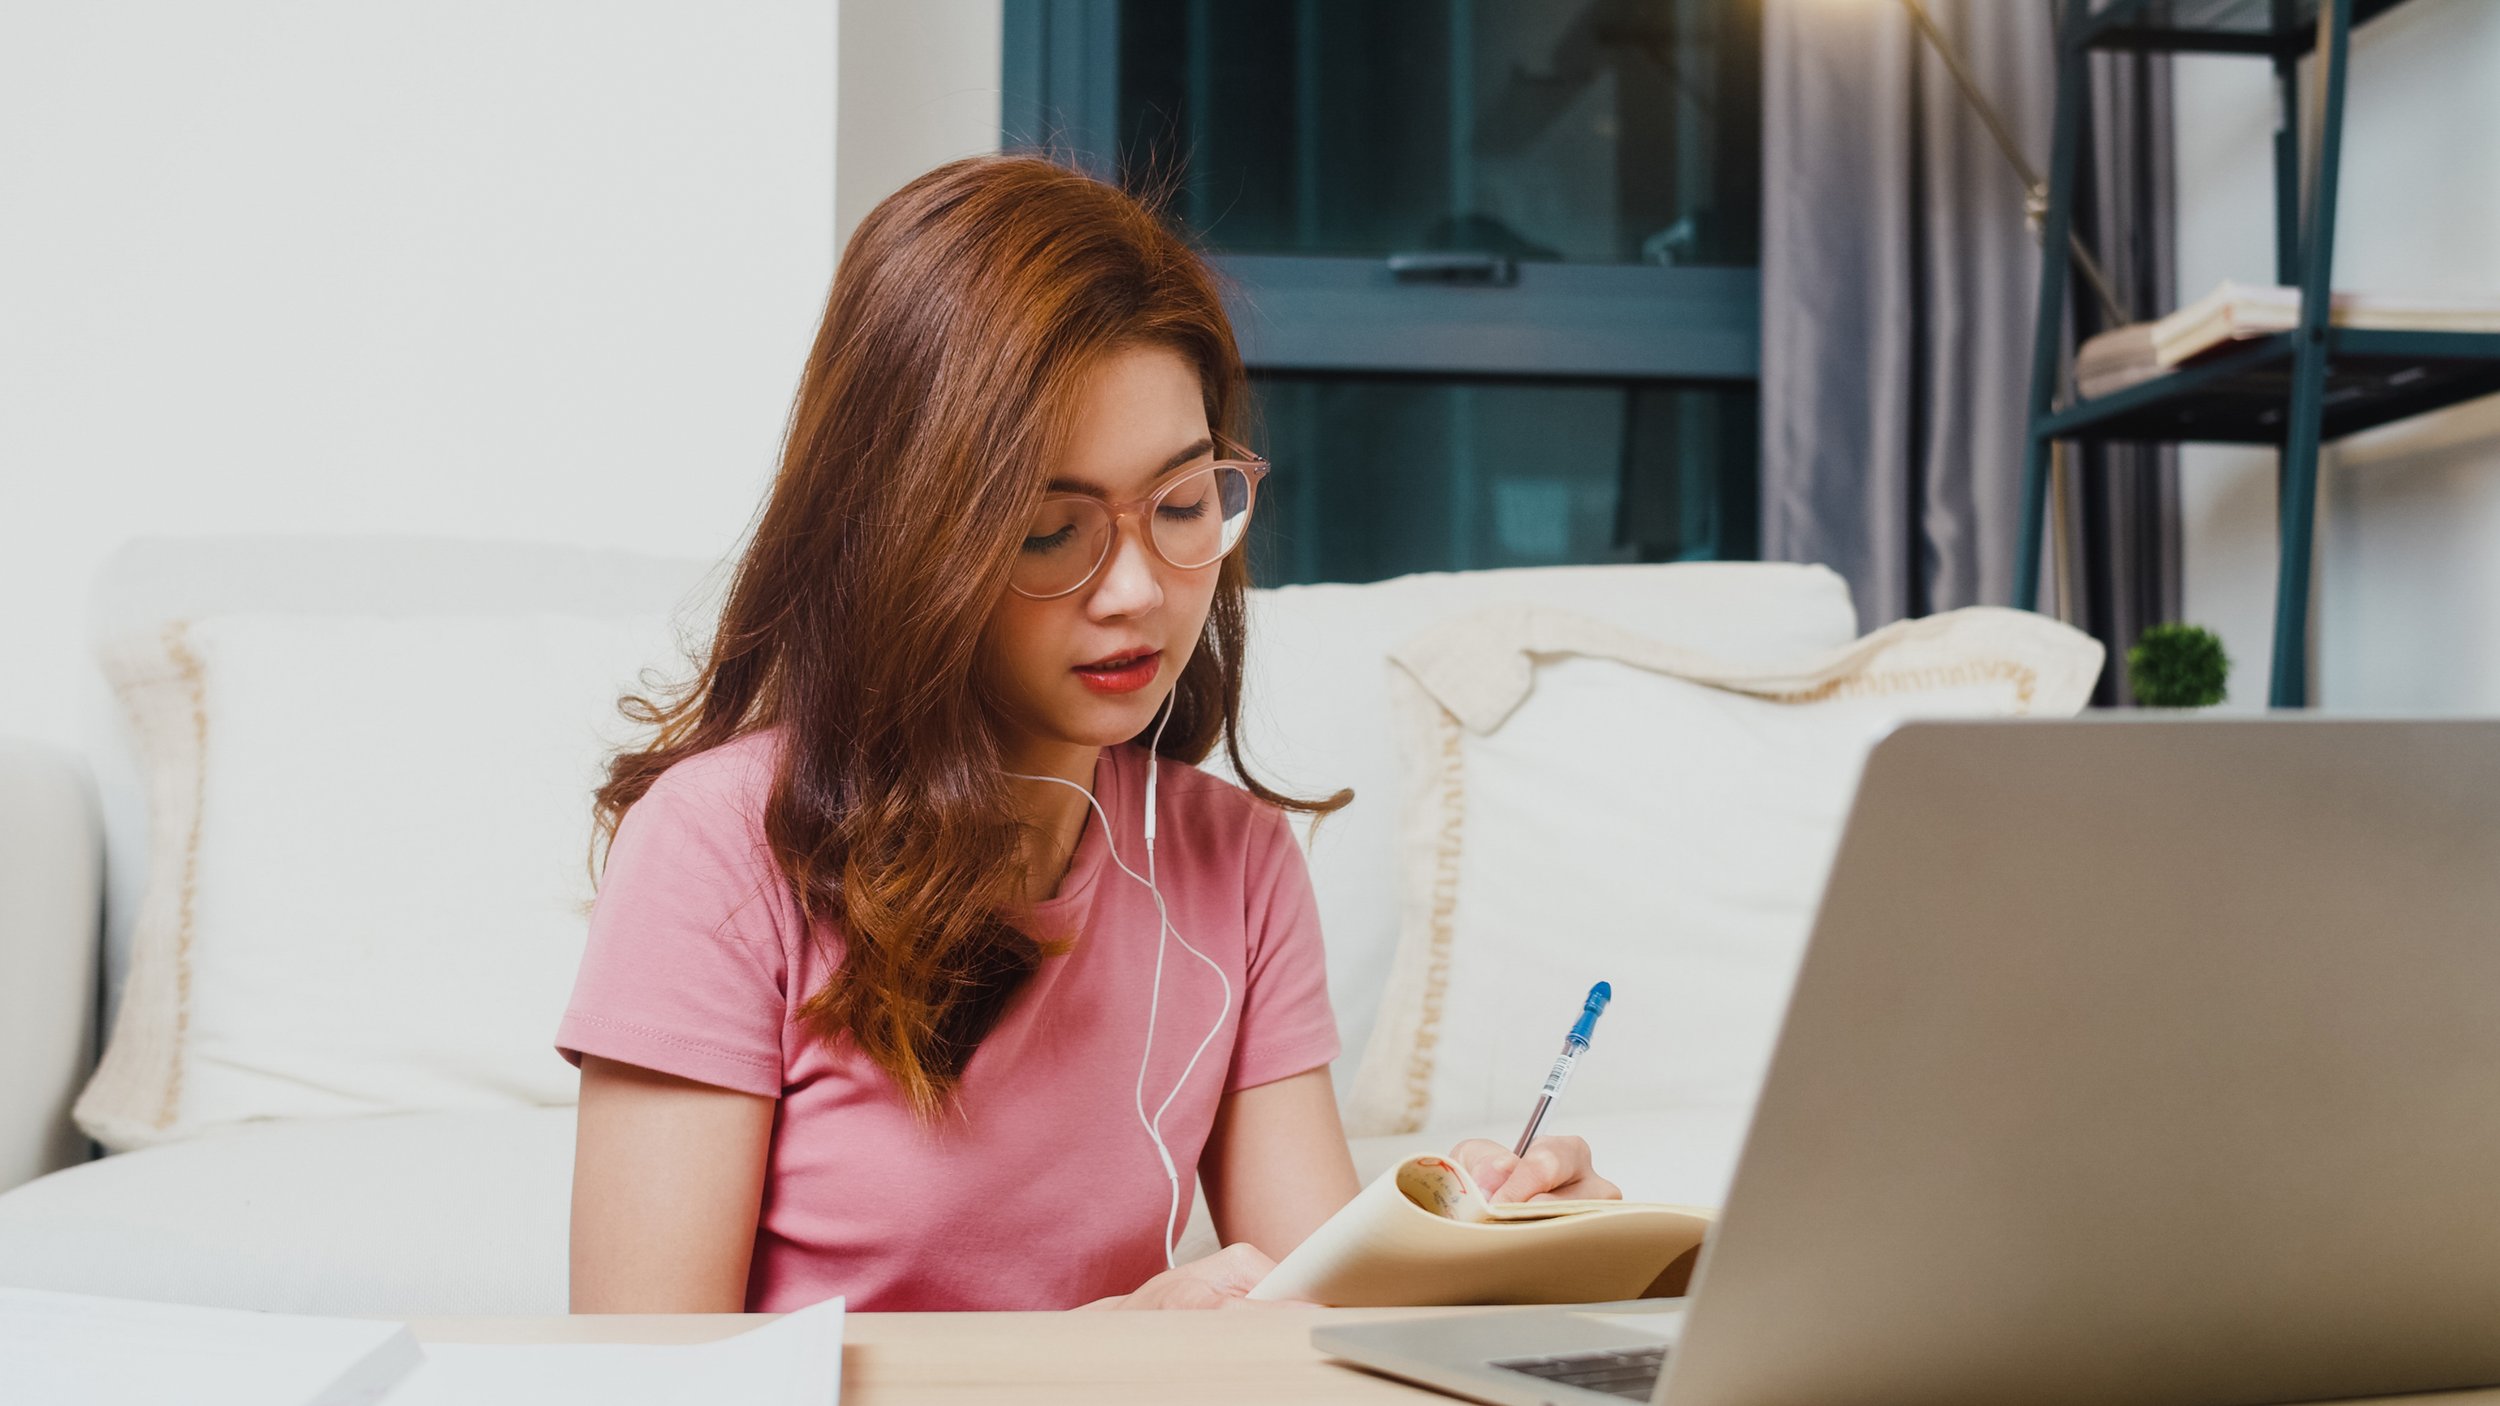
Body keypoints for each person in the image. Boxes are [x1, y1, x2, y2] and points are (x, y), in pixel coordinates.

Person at [558, 153, 1619, 1314]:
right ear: (906, 535)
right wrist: (1088, 1362)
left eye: (1179, 505)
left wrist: (1496, 1255)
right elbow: (646, 1380)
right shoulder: (719, 849)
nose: (1136, 590)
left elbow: (1330, 1327)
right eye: (1048, 531)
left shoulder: (1233, 866)